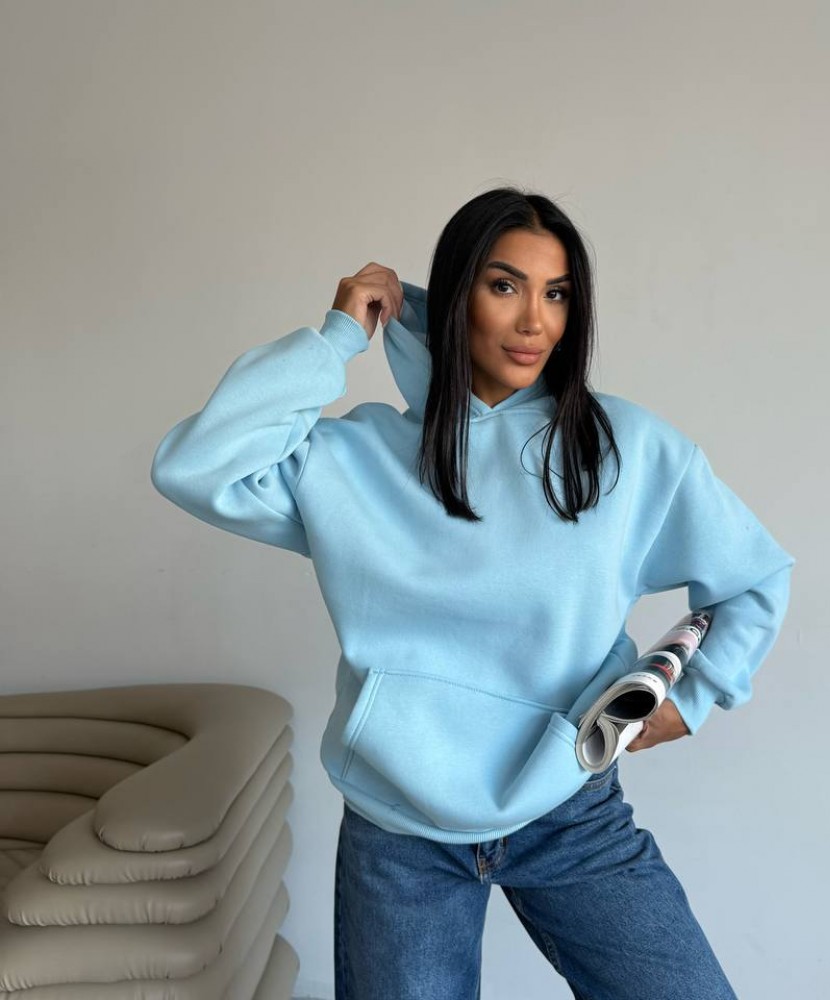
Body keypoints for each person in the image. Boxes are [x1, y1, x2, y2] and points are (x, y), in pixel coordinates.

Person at [151, 186, 795, 999]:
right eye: (504, 286)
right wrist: (337, 337)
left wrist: (695, 698)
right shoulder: (355, 457)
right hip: (399, 829)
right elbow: (193, 465)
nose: (534, 322)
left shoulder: (624, 449)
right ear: (456, 295)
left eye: (556, 294)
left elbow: (754, 575)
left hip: (570, 810)